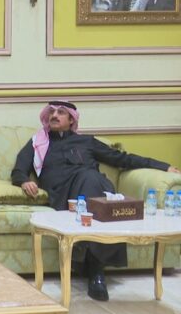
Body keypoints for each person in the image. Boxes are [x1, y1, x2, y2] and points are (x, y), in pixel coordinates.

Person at [11, 100, 179, 301]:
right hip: (64, 193)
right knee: (91, 183)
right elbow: (19, 169)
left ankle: (92, 265)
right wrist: (24, 181)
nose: (54, 115)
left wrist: (163, 166)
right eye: (52, 112)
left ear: (71, 120)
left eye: (61, 112)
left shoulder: (87, 142)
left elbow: (122, 159)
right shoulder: (37, 143)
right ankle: (96, 271)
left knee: (93, 183)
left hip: (94, 188)